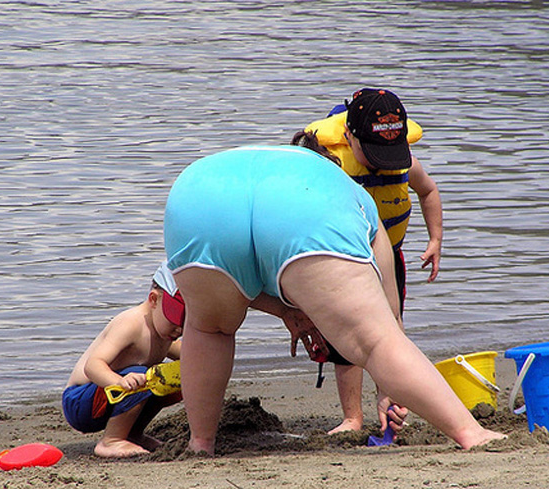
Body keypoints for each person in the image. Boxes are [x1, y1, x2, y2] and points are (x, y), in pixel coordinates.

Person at [163, 145, 505, 456]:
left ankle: (201, 443)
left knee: (209, 330)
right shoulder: (351, 193)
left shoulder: (256, 160)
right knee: (377, 342)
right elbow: (390, 323)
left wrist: (284, 309)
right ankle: (470, 433)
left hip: (198, 197)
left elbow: (244, 282)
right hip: (307, 203)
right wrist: (387, 390)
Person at [292, 88, 443, 435]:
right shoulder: (329, 165)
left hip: (391, 258)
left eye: (390, 151)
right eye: (374, 152)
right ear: (348, 135)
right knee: (348, 344)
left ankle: (390, 406)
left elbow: (429, 191)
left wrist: (435, 239)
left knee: (391, 332)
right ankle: (352, 417)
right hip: (344, 265)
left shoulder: (405, 164)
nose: (382, 161)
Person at [62, 262, 185, 458]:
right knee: (141, 377)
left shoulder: (164, 332)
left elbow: (188, 355)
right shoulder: (132, 324)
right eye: (175, 319)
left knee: (179, 375)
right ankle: (111, 441)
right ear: (153, 300)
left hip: (112, 397)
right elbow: (92, 366)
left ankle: (133, 435)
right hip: (80, 402)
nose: (180, 329)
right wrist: (118, 381)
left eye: (187, 321)